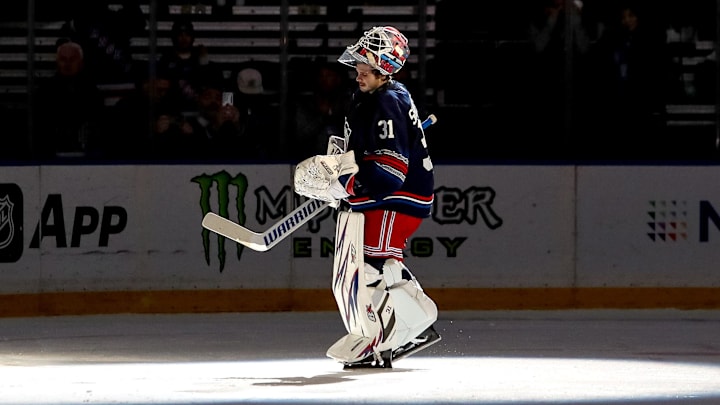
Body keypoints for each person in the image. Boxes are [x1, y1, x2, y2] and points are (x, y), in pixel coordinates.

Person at [293, 26, 440, 368]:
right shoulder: (370, 97)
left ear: (385, 67)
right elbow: (361, 154)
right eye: (358, 64)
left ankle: (405, 329)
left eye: (366, 67)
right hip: (387, 194)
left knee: (372, 263)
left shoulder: (388, 100)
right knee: (366, 263)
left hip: (399, 197)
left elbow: (389, 171)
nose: (358, 71)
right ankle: (399, 330)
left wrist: (347, 187)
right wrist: (338, 171)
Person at [35, 40, 105, 159]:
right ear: (57, 62)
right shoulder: (45, 90)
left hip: (86, 151)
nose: (67, 64)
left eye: (72, 59)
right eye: (63, 59)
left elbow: (96, 122)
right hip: (51, 152)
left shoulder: (91, 90)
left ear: (81, 63)